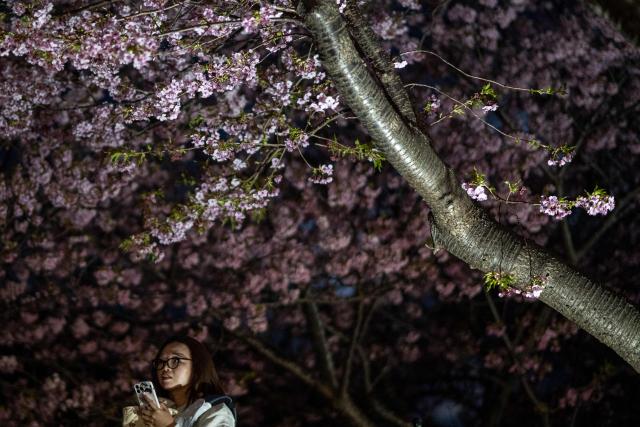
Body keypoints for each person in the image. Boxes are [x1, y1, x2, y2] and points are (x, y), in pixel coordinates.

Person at [123, 335, 236, 427]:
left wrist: (168, 425)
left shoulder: (215, 411)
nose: (165, 368)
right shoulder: (159, 411)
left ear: (197, 366)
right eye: (161, 362)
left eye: (176, 360)